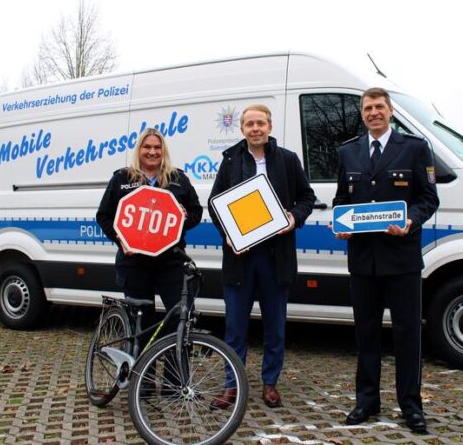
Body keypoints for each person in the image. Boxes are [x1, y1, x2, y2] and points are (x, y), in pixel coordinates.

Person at [332, 88, 439, 433]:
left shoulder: (414, 148)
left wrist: (411, 220)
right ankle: (367, 402)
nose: (373, 113)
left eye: (379, 107)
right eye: (367, 108)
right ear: (362, 114)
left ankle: (411, 406)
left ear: (390, 111)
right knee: (366, 336)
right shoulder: (348, 152)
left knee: (408, 335)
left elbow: (428, 198)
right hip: (363, 261)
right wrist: (342, 224)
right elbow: (340, 199)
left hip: (402, 260)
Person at [208, 104, 315, 409]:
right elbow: (215, 203)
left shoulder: (287, 160)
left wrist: (294, 217)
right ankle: (233, 385)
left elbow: (307, 198)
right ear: (242, 129)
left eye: (260, 123)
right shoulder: (230, 160)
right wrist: (227, 233)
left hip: (275, 256)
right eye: (249, 124)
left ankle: (270, 384)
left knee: (275, 327)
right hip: (241, 258)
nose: (255, 129)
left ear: (269, 127)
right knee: (235, 328)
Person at [96, 127, 203, 350]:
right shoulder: (122, 179)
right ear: (139, 150)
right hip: (135, 264)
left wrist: (183, 218)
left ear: (163, 150)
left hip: (171, 262)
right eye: (147, 147)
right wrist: (120, 241)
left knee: (179, 322)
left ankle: (173, 383)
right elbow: (103, 216)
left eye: (157, 147)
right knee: (141, 325)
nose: (152, 151)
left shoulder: (178, 178)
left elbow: (196, 212)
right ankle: (143, 382)